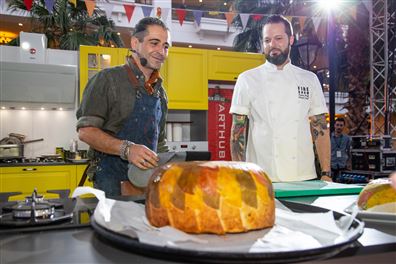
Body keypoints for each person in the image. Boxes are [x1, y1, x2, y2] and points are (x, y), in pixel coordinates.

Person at [230, 15, 331, 182]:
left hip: (303, 174)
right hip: (261, 175)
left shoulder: (309, 79)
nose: (272, 45)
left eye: (278, 39)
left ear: (291, 39)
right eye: (267, 40)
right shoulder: (247, 79)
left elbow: (320, 127)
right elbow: (237, 131)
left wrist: (326, 172)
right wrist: (239, 175)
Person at [76, 17, 171, 196]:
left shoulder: (161, 93)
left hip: (147, 184)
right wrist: (127, 149)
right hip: (110, 182)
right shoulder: (107, 79)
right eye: (154, 43)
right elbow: (86, 131)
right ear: (135, 43)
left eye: (165, 46)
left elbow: (160, 143)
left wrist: (169, 167)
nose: (161, 52)